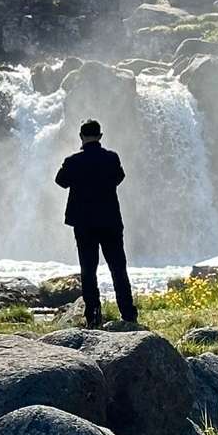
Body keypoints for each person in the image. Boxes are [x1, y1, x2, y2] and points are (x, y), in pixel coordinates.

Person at [55, 120, 137, 328]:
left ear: (81, 137)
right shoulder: (111, 158)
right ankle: (128, 314)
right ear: (100, 136)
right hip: (110, 220)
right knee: (118, 268)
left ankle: (93, 316)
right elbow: (119, 177)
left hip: (84, 223)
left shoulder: (73, 161)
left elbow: (60, 181)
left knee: (88, 269)